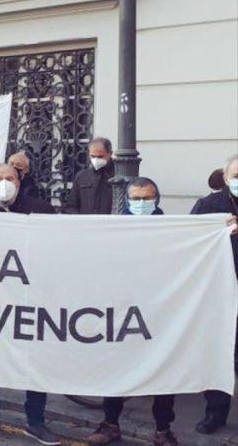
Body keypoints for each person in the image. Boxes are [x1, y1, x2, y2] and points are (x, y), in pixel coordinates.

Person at [0, 164, 58, 445]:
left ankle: (35, 421)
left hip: (32, 297)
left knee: (34, 359)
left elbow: (55, 248)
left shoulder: (40, 209)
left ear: (19, 181)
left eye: (9, 178)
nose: (4, 182)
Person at [85, 177, 177, 446]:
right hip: (123, 310)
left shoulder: (174, 229)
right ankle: (110, 423)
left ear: (157, 199)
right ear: (126, 200)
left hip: (162, 311)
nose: (141, 203)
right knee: (117, 368)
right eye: (135, 199)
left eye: (147, 198)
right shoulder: (114, 229)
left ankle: (163, 429)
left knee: (165, 372)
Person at [192, 155, 238, 436]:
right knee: (218, 354)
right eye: (236, 175)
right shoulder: (208, 206)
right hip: (218, 293)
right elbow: (189, 243)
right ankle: (215, 414)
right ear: (225, 178)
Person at [62, 138, 114, 215]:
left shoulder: (118, 176)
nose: (96, 160)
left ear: (110, 153)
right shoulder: (82, 176)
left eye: (100, 157)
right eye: (92, 156)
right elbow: (71, 206)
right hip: (86, 224)